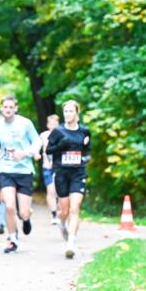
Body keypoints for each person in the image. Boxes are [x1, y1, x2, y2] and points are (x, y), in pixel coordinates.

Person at [0, 96, 42, 254]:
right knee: (9, 206)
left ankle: (26, 218)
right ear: (1, 109)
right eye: (5, 107)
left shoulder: (25, 123)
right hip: (6, 170)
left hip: (24, 171)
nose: (7, 110)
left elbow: (37, 142)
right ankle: (12, 239)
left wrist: (25, 153)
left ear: (15, 108)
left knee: (23, 212)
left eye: (10, 107)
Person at [45, 100, 92, 259]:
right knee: (64, 211)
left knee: (74, 208)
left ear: (77, 113)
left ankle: (71, 243)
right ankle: (62, 225)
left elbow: (87, 150)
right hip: (61, 173)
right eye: (66, 111)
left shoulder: (84, 131)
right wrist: (61, 146)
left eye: (71, 111)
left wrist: (85, 157)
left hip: (78, 172)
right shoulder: (58, 131)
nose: (68, 114)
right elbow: (48, 150)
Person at [40, 113, 61, 225]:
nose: (53, 126)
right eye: (51, 124)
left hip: (59, 166)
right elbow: (41, 150)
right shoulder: (43, 135)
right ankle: (54, 214)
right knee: (51, 190)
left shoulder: (62, 134)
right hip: (47, 167)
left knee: (59, 191)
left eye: (55, 124)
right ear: (48, 125)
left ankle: (61, 212)